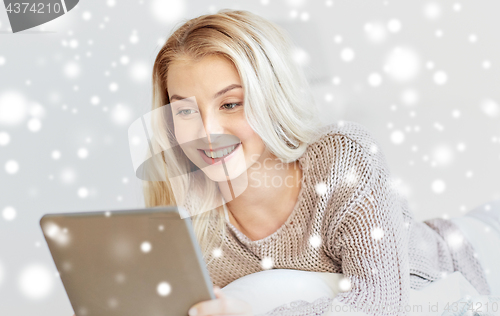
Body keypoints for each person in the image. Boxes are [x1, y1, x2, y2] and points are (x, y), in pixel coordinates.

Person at [93, 9, 500, 316]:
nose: (207, 131)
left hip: (471, 265)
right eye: (184, 111)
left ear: (273, 99)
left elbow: (379, 303)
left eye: (232, 103)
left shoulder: (341, 157)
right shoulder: (190, 210)